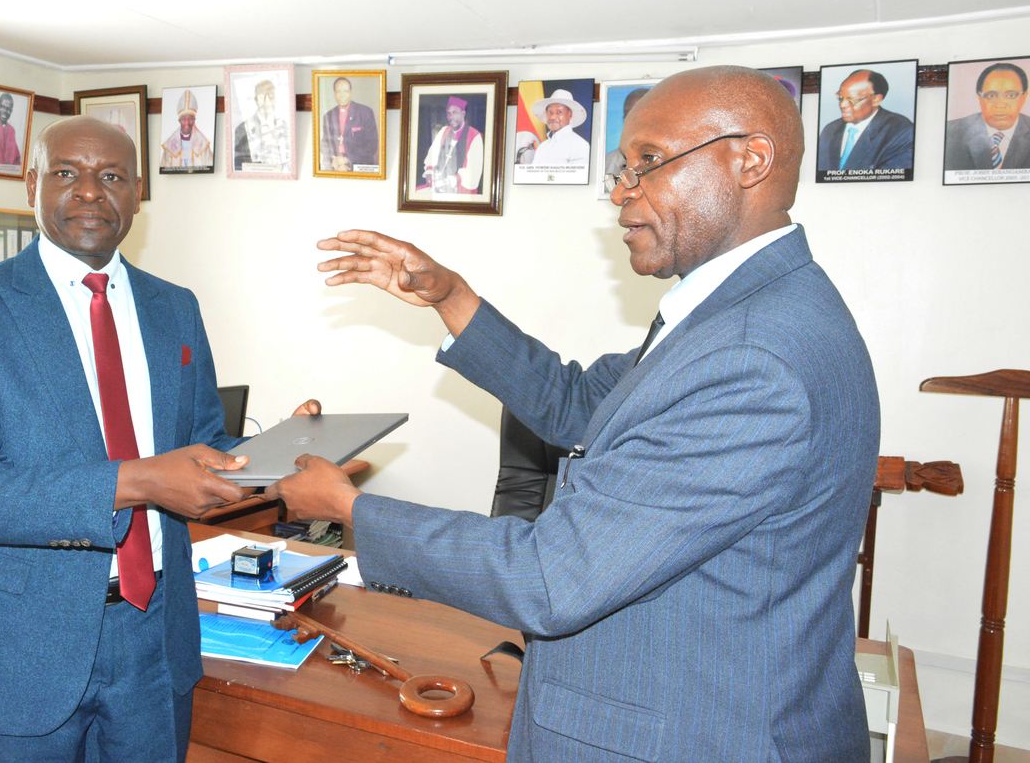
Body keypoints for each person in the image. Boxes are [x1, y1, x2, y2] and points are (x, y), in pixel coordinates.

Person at [270, 66, 879, 762]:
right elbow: (576, 404)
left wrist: (348, 508)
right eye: (623, 168)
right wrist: (452, 296)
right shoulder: (746, 311)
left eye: (649, 161)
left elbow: (551, 577)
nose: (621, 192)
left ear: (751, 161)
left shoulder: (751, 355)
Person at [0, 115, 318, 763]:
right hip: (26, 639)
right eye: (66, 173)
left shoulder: (175, 307)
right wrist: (138, 480)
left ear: (137, 194)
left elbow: (202, 443)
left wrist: (274, 454)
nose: (89, 191)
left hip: (156, 631)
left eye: (111, 176)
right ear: (31, 184)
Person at [816, 69, 914, 171]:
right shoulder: (830, 130)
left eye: (851, 100)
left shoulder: (901, 131)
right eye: (840, 97)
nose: (842, 105)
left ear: (876, 100)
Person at [944, 61, 1030, 171]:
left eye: (1011, 95)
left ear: (1024, 97)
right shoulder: (950, 132)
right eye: (991, 96)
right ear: (980, 98)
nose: (1000, 105)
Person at [419, 96, 483, 194]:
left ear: (463, 113)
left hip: (460, 190)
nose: (451, 117)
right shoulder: (444, 131)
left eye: (454, 113)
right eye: (448, 113)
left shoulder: (475, 136)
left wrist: (449, 181)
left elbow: (473, 173)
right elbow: (432, 155)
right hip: (437, 186)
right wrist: (430, 173)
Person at [319, 77, 379, 171]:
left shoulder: (365, 112)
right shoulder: (328, 116)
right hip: (335, 165)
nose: (342, 95)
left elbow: (371, 146)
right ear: (334, 93)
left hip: (360, 166)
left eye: (345, 91)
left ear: (351, 92)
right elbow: (325, 144)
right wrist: (335, 162)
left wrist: (347, 160)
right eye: (338, 91)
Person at [232, 79, 290, 170]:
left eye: (271, 96)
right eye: (263, 96)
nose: (268, 101)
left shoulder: (285, 126)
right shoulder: (242, 129)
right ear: (256, 100)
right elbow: (239, 166)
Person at [529, 88, 589, 165]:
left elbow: (579, 173)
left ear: (570, 114)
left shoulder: (580, 145)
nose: (553, 117)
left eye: (559, 112)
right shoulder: (542, 147)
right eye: (550, 112)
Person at [602, 86, 650, 183]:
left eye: (644, 115)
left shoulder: (674, 158)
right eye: (630, 116)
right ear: (624, 119)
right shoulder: (607, 162)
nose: (637, 121)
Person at [160, 90, 214, 170]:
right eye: (184, 119)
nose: (187, 122)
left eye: (190, 119)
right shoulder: (169, 145)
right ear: (179, 121)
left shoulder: (203, 144)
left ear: (194, 120)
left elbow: (210, 167)